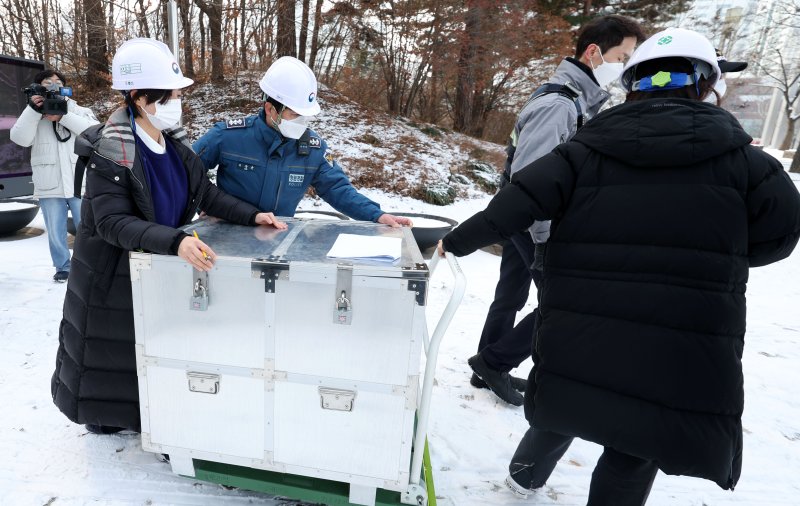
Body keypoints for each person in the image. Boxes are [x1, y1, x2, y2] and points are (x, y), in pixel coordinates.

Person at [438, 27, 800, 504]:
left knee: (573, 392)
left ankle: (523, 479)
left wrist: (451, 242)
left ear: (632, 86)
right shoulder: (747, 163)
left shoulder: (585, 150)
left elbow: (515, 202)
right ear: (707, 86)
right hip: (679, 335)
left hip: (586, 318)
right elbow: (779, 236)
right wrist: (718, 256)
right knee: (637, 440)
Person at [50, 38, 288, 435]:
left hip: (154, 262)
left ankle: (158, 419)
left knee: (155, 347)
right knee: (111, 353)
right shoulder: (113, 150)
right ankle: (107, 419)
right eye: (172, 95)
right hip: (112, 272)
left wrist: (252, 215)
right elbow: (111, 222)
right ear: (140, 97)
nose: (179, 102)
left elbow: (206, 193)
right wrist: (176, 242)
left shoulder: (172, 145)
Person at [468, 15, 645, 406]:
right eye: (622, 56)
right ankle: (494, 362)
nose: (624, 66)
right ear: (594, 52)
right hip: (533, 220)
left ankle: (487, 367)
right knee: (562, 302)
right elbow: (532, 178)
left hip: (517, 215)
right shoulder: (560, 104)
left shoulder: (572, 97)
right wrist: (546, 236)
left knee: (510, 294)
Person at [193, 56, 411, 227]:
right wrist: (206, 206)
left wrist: (376, 215)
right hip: (227, 238)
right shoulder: (229, 136)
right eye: (295, 114)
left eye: (306, 116)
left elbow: (337, 188)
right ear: (270, 109)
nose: (302, 123)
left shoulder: (313, 149)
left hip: (278, 240)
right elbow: (186, 171)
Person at [9, 69, 99, 282]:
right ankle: (63, 267)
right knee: (55, 231)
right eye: (47, 81)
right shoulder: (33, 114)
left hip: (79, 181)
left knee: (87, 228)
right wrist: (33, 110)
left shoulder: (79, 109)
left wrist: (63, 116)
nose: (53, 84)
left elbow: (94, 132)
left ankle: (91, 266)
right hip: (49, 183)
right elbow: (19, 138)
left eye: (58, 81)